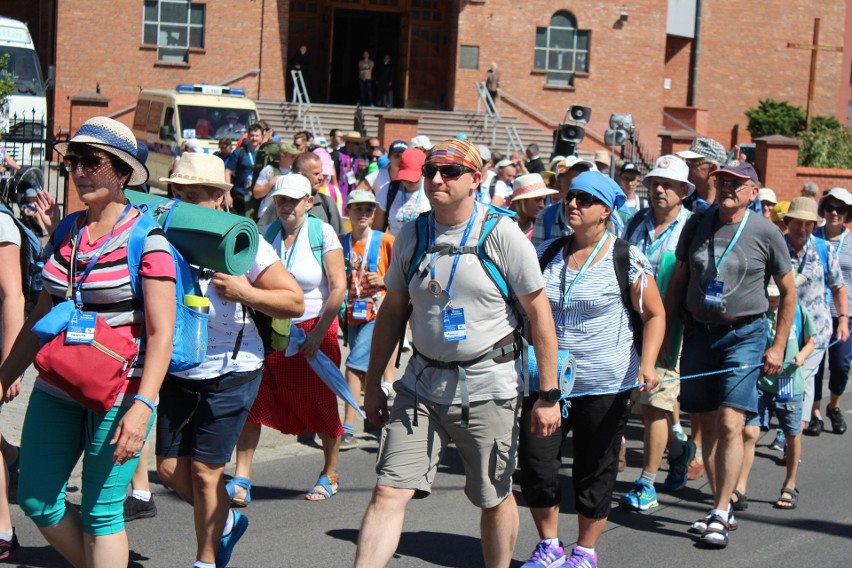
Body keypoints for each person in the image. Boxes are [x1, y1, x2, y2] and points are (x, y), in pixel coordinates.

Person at [354, 138, 560, 568]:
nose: (435, 180)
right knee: (388, 489)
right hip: (420, 386)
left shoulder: (501, 233)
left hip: (489, 386)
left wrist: (548, 394)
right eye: (431, 171)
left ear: (475, 180)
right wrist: (374, 384)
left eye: (449, 172)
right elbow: (392, 312)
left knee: (493, 496)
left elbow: (539, 313)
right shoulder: (413, 234)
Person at [0, 116, 175, 567]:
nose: (76, 171)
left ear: (120, 171)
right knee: (37, 499)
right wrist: (5, 375)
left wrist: (144, 407)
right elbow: (41, 314)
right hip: (58, 384)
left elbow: (161, 334)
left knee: (101, 512)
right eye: (72, 160)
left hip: (120, 394)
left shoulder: (147, 240)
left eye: (90, 161)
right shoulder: (66, 232)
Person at [155, 152, 305, 568]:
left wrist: (247, 293)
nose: (185, 202)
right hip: (179, 367)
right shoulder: (160, 235)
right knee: (168, 469)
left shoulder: (244, 241)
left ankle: (206, 560)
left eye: (197, 195)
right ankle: (225, 522)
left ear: (220, 198)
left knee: (205, 474)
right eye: (179, 193)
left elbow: (292, 300)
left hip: (233, 371)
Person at [519, 171, 664, 568]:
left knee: (593, 469)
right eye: (570, 197)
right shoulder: (545, 252)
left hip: (606, 383)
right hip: (546, 381)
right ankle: (549, 545)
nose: (573, 204)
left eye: (584, 199)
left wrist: (648, 363)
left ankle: (583, 552)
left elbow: (654, 314)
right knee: (535, 464)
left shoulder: (626, 257)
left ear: (605, 211)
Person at [664, 160, 796, 549]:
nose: (728, 187)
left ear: (754, 193)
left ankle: (721, 510)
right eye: (723, 180)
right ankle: (719, 502)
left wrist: (778, 346)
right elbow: (679, 279)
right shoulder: (697, 223)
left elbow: (788, 293)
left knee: (729, 422)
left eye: (737, 183)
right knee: (703, 418)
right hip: (699, 333)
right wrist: (668, 335)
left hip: (745, 335)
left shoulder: (766, 232)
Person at [231, 174, 347, 503]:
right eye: (281, 199)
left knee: (321, 403)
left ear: (309, 202)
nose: (286, 206)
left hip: (314, 330)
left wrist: (321, 332)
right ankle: (242, 478)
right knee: (255, 401)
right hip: (274, 330)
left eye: (293, 200)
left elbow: (338, 287)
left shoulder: (322, 232)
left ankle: (330, 472)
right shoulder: (266, 233)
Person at [618, 155, 696, 513]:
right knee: (641, 402)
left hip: (671, 330)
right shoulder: (635, 223)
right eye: (654, 183)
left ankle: (646, 482)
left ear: (683, 191)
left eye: (666, 185)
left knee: (654, 404)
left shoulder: (692, 228)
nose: (658, 189)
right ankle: (680, 451)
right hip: (631, 325)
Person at [781, 197, 849, 438]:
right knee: (787, 375)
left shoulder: (824, 249)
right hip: (783, 329)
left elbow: (838, 287)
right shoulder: (777, 247)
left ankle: (794, 428)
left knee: (805, 377)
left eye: (808, 224)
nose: (803, 229)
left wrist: (842, 319)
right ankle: (788, 422)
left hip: (816, 330)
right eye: (798, 223)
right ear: (788, 222)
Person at [339, 190, 396, 450]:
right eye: (358, 209)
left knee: (352, 367)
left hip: (378, 312)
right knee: (368, 370)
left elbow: (405, 274)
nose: (363, 214)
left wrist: (384, 280)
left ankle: (347, 427)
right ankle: (379, 419)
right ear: (348, 212)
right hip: (350, 313)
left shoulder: (385, 240)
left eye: (368, 210)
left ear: (375, 214)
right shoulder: (341, 242)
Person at [811, 187, 852, 435]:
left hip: (845, 314)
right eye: (830, 208)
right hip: (815, 312)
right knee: (814, 364)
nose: (834, 213)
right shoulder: (812, 236)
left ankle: (833, 406)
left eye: (840, 209)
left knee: (841, 364)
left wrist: (844, 318)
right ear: (823, 210)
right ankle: (814, 412)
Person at [531, 157, 597, 247]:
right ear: (559, 186)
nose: (581, 187)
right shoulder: (545, 216)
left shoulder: (601, 215)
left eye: (585, 183)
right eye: (574, 184)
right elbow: (537, 256)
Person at [374, 147, 430, 236]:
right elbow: (377, 228)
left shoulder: (430, 191)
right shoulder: (388, 190)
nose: (409, 182)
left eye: (414, 178)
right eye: (406, 177)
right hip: (394, 247)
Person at [676, 137, 728, 214]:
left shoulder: (727, 204)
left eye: (693, 162)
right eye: (687, 161)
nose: (687, 166)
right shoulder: (681, 201)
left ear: (713, 168)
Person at [224, 123, 263, 216]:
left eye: (257, 136)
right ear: (248, 136)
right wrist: (228, 195)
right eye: (252, 135)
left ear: (261, 137)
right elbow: (227, 172)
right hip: (239, 195)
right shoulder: (239, 152)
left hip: (257, 197)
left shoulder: (264, 154)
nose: (254, 138)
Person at [508, 173, 556, 239]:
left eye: (544, 200)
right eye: (538, 200)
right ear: (521, 201)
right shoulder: (501, 224)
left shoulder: (543, 225)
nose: (542, 205)